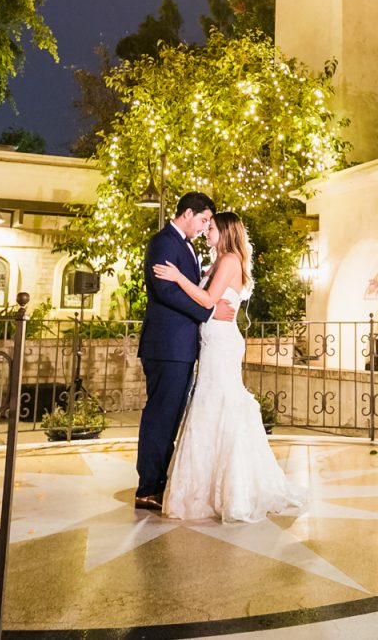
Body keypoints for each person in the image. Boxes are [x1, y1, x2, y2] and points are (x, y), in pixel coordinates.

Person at [153, 211, 306, 522]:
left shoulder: (230, 260)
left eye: (211, 227)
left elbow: (208, 300)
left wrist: (178, 277)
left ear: (225, 231)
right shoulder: (219, 261)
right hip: (212, 341)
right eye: (206, 225)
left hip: (221, 343)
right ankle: (207, 488)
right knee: (210, 404)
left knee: (220, 403)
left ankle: (235, 489)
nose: (207, 231)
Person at [133, 193, 235, 512]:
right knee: (161, 416)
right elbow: (166, 291)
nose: (205, 227)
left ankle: (159, 482)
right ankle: (148, 487)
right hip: (166, 345)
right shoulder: (163, 242)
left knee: (171, 416)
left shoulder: (186, 246)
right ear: (187, 213)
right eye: (203, 220)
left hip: (181, 346)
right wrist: (209, 312)